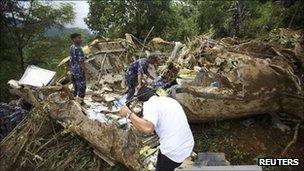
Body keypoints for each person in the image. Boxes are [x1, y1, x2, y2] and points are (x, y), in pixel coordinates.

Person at [118, 88, 194, 171]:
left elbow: (147, 128)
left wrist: (129, 114)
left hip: (173, 152)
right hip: (188, 144)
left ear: (143, 102)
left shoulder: (149, 104)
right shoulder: (170, 100)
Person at [69, 33, 86, 104]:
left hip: (73, 70)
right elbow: (81, 61)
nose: (81, 39)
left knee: (75, 85)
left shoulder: (71, 47)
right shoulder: (78, 48)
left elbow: (71, 59)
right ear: (74, 39)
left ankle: (74, 100)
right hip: (79, 70)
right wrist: (84, 70)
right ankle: (80, 102)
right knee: (82, 86)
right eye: (79, 38)